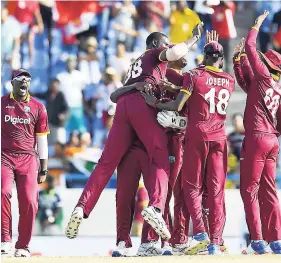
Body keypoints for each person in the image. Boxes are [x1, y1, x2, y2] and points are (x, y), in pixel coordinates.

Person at [65, 24, 204, 241]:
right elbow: (176, 53)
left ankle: (81, 208)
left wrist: (140, 86)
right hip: (141, 108)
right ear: (156, 45)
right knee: (160, 157)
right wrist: (193, 39)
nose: (167, 47)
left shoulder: (136, 64)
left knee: (105, 164)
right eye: (164, 44)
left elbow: (116, 95)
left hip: (123, 108)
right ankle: (157, 208)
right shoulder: (154, 55)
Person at [141, 32, 235, 255]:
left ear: (202, 57)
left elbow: (180, 101)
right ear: (221, 59)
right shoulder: (229, 80)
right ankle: (214, 240)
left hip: (195, 136)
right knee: (214, 191)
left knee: (190, 189)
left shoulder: (192, 75)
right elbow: (206, 88)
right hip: (218, 138)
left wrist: (155, 101)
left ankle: (200, 235)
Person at [111, 59, 188, 257]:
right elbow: (119, 99)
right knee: (156, 195)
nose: (184, 55)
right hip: (152, 143)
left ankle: (161, 241)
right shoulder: (157, 74)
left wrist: (178, 121)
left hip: (172, 141)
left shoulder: (184, 77)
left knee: (166, 194)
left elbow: (196, 113)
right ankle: (145, 242)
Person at [234, 10, 281, 255]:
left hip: (257, 137)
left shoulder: (263, 75)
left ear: (268, 65)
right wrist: (238, 61)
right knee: (269, 191)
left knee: (249, 191)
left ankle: (258, 240)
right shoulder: (275, 86)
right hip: (273, 140)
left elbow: (252, 47)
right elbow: (247, 85)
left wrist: (256, 25)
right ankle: (276, 240)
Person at [1, 69, 50, 257]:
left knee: (29, 201)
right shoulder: (2, 103)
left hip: (28, 158)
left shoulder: (39, 107)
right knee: (3, 192)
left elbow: (42, 139)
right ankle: (5, 240)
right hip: (4, 156)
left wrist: (44, 168)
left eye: (27, 80)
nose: (24, 83)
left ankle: (23, 245)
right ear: (12, 82)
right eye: (20, 80)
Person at [32, 78, 69, 145]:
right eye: (53, 85)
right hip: (50, 123)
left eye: (56, 85)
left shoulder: (61, 95)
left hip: (58, 124)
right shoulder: (49, 93)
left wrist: (63, 115)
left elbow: (66, 109)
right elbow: (41, 95)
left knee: (59, 142)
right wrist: (32, 94)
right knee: (50, 143)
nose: (54, 87)